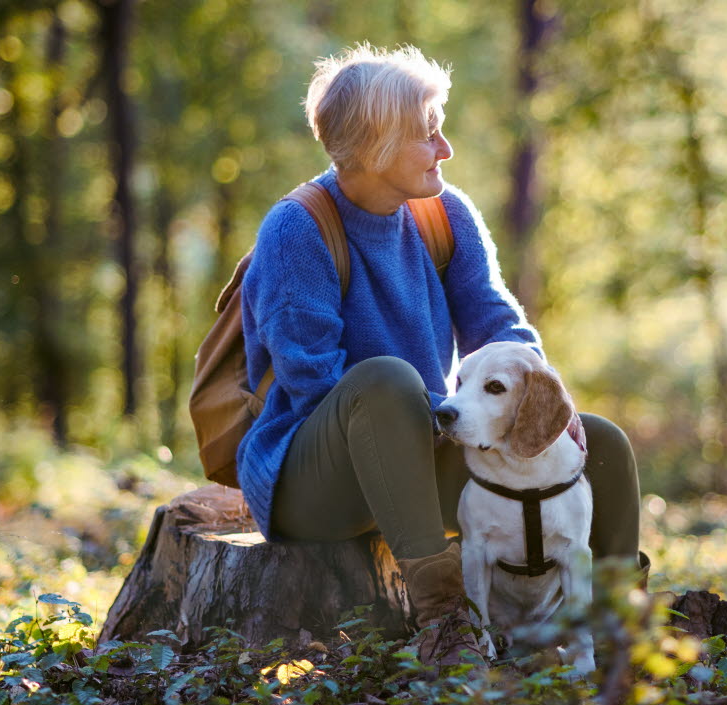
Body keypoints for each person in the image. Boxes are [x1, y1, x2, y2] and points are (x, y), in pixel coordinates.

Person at [236, 44, 644, 670]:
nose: (445, 149)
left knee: (602, 442)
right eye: (429, 134)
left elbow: (500, 324)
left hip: (426, 446)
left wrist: (540, 401)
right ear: (374, 144)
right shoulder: (298, 229)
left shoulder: (445, 213)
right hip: (317, 478)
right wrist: (447, 412)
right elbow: (314, 380)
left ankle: (616, 631)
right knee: (385, 381)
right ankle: (447, 623)